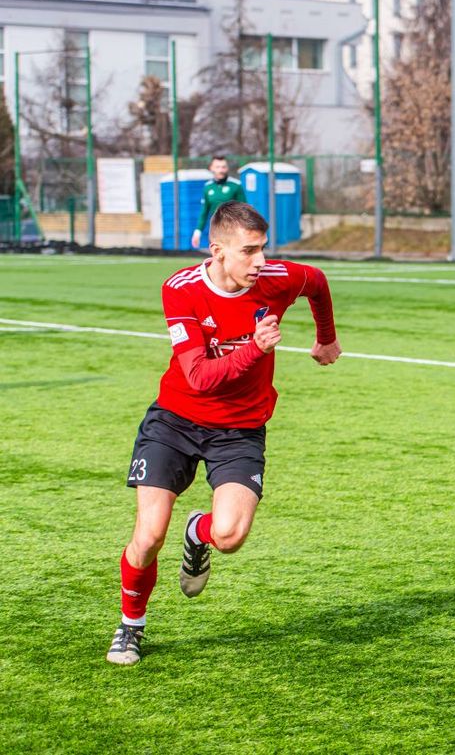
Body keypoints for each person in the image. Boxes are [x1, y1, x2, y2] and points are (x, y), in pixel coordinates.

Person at [106, 201, 342, 666]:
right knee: (149, 535)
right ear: (217, 251)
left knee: (231, 535)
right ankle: (131, 625)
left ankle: (199, 530)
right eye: (249, 251)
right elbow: (198, 377)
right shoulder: (180, 290)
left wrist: (326, 336)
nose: (260, 261)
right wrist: (255, 349)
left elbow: (315, 281)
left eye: (263, 249)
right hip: (175, 419)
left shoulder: (276, 278)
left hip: (240, 427)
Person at [191, 155, 247, 249]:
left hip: (233, 230)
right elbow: (204, 212)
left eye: (223, 167)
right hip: (215, 229)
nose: (221, 170)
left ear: (227, 168)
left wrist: (244, 230)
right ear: (211, 168)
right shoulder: (207, 187)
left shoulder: (236, 185)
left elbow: (244, 210)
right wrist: (197, 232)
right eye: (218, 167)